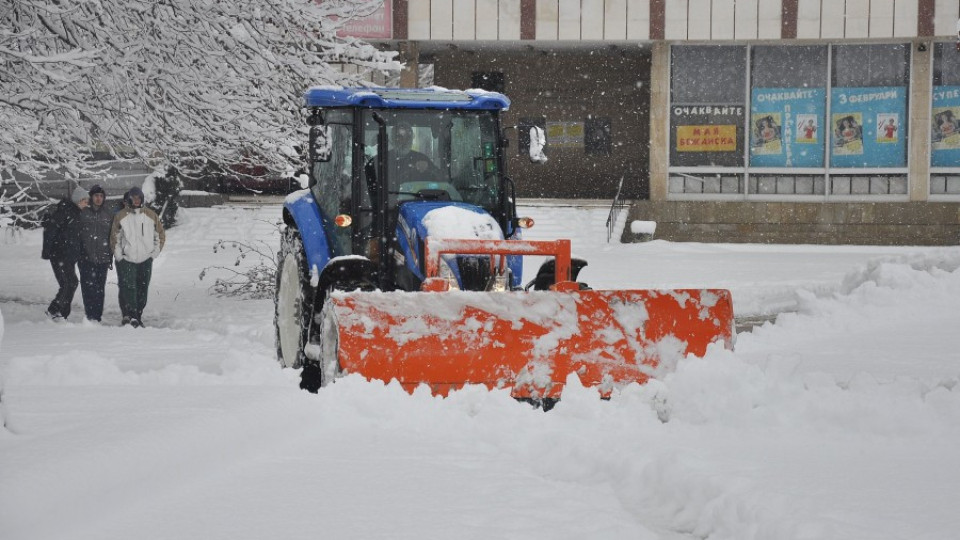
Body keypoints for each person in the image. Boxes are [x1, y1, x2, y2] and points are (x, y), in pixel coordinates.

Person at [110, 186, 165, 327]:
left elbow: (160, 235)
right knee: (129, 287)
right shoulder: (121, 216)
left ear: (142, 199)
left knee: (142, 288)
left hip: (145, 260)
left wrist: (153, 254)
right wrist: (119, 256)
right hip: (127, 259)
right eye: (133, 198)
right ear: (129, 199)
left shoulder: (151, 215)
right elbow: (114, 238)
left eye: (138, 198)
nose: (136, 200)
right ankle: (132, 315)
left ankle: (138, 314)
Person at [41, 186, 89, 320]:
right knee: (70, 283)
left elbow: (76, 236)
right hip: (60, 255)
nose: (86, 204)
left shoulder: (76, 213)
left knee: (68, 283)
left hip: (68, 256)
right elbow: (50, 230)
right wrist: (47, 250)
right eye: (85, 201)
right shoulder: (65, 212)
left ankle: (61, 314)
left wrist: (80, 252)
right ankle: (54, 310)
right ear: (78, 200)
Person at [78, 185, 115, 322]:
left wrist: (110, 254)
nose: (99, 198)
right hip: (85, 257)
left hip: (103, 258)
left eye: (101, 196)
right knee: (88, 288)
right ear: (91, 197)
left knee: (99, 288)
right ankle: (90, 314)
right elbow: (76, 232)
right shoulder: (83, 213)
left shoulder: (109, 214)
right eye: (96, 196)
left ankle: (97, 316)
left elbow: (113, 235)